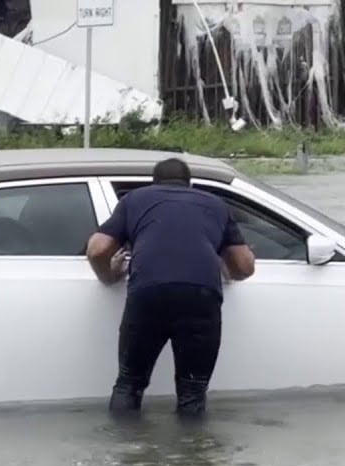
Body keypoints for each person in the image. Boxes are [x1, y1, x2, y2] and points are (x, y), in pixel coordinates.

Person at [85, 157, 256, 416]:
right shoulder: (215, 204)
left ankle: (126, 452)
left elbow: (97, 249)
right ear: (189, 184)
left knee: (129, 384)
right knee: (192, 392)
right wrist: (225, 268)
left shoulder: (134, 200)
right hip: (199, 295)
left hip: (148, 293)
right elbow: (244, 266)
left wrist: (109, 276)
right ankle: (191, 454)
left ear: (156, 182)